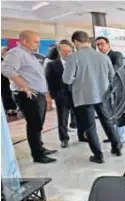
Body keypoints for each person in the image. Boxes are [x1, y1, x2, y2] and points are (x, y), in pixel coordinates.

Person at [63, 30, 122, 163]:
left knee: (90, 126)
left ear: (76, 42)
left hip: (84, 98)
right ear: (88, 41)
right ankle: (117, 147)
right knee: (107, 122)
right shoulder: (103, 56)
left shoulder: (74, 57)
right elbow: (112, 76)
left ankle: (98, 155)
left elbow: (67, 79)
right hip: (103, 95)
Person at [1, 30, 57, 164]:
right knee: (34, 125)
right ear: (25, 41)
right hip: (27, 95)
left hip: (38, 94)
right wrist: (24, 86)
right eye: (35, 42)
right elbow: (6, 69)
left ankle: (40, 148)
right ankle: (37, 155)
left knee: (38, 124)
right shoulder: (16, 53)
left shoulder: (29, 55)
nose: (37, 45)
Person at [45, 40, 77, 148]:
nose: (67, 53)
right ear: (59, 52)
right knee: (62, 118)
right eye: (64, 51)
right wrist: (52, 95)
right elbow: (49, 81)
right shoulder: (52, 65)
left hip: (76, 95)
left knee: (79, 116)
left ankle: (82, 135)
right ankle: (64, 138)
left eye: (69, 51)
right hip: (61, 96)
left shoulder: (76, 63)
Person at [95, 36, 125, 144]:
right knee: (108, 114)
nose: (99, 46)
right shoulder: (98, 57)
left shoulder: (116, 55)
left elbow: (116, 68)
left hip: (116, 89)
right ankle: (112, 136)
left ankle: (120, 139)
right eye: (98, 44)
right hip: (104, 90)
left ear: (108, 44)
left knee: (117, 113)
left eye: (102, 44)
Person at [1, 47, 18, 115]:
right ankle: (8, 109)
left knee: (10, 93)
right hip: (3, 80)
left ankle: (13, 108)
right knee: (5, 94)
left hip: (11, 79)